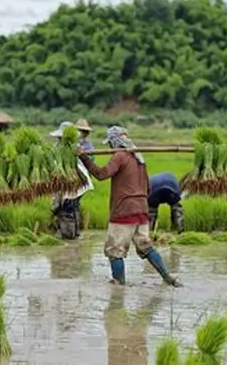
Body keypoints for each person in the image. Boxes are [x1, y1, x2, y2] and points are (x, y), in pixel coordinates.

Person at [79, 126, 181, 287]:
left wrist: (83, 158)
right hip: (141, 211)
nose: (110, 147)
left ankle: (119, 284)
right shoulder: (139, 158)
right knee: (145, 246)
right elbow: (148, 187)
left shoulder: (120, 156)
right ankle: (168, 277)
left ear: (114, 142)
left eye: (110, 144)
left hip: (124, 211)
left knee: (115, 250)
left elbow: (101, 174)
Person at [49, 121, 94, 239]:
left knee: (67, 209)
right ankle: (74, 236)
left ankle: (69, 237)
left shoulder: (73, 148)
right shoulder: (59, 148)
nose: (59, 139)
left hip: (75, 183)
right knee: (71, 208)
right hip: (71, 183)